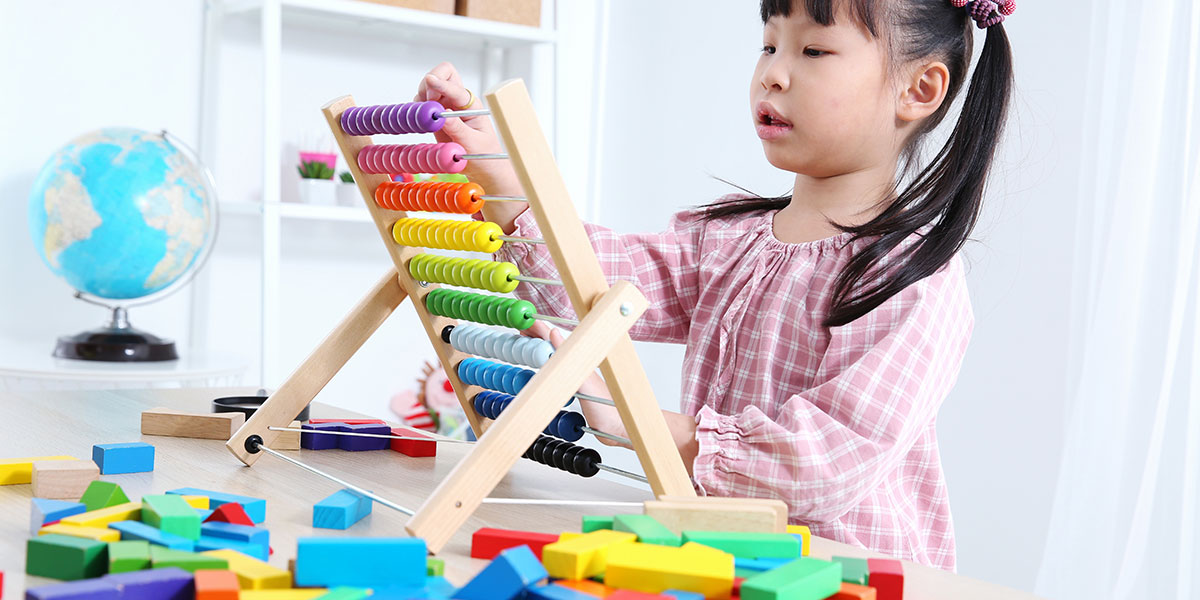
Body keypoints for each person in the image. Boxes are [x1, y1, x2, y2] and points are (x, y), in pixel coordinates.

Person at [413, 0, 1014, 571]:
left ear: (919, 91)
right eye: (769, 44)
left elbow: (818, 463)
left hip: (843, 575)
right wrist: (501, 176)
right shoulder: (726, 240)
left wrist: (635, 418)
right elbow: (587, 285)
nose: (773, 74)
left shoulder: (912, 276)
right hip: (719, 556)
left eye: (814, 51)